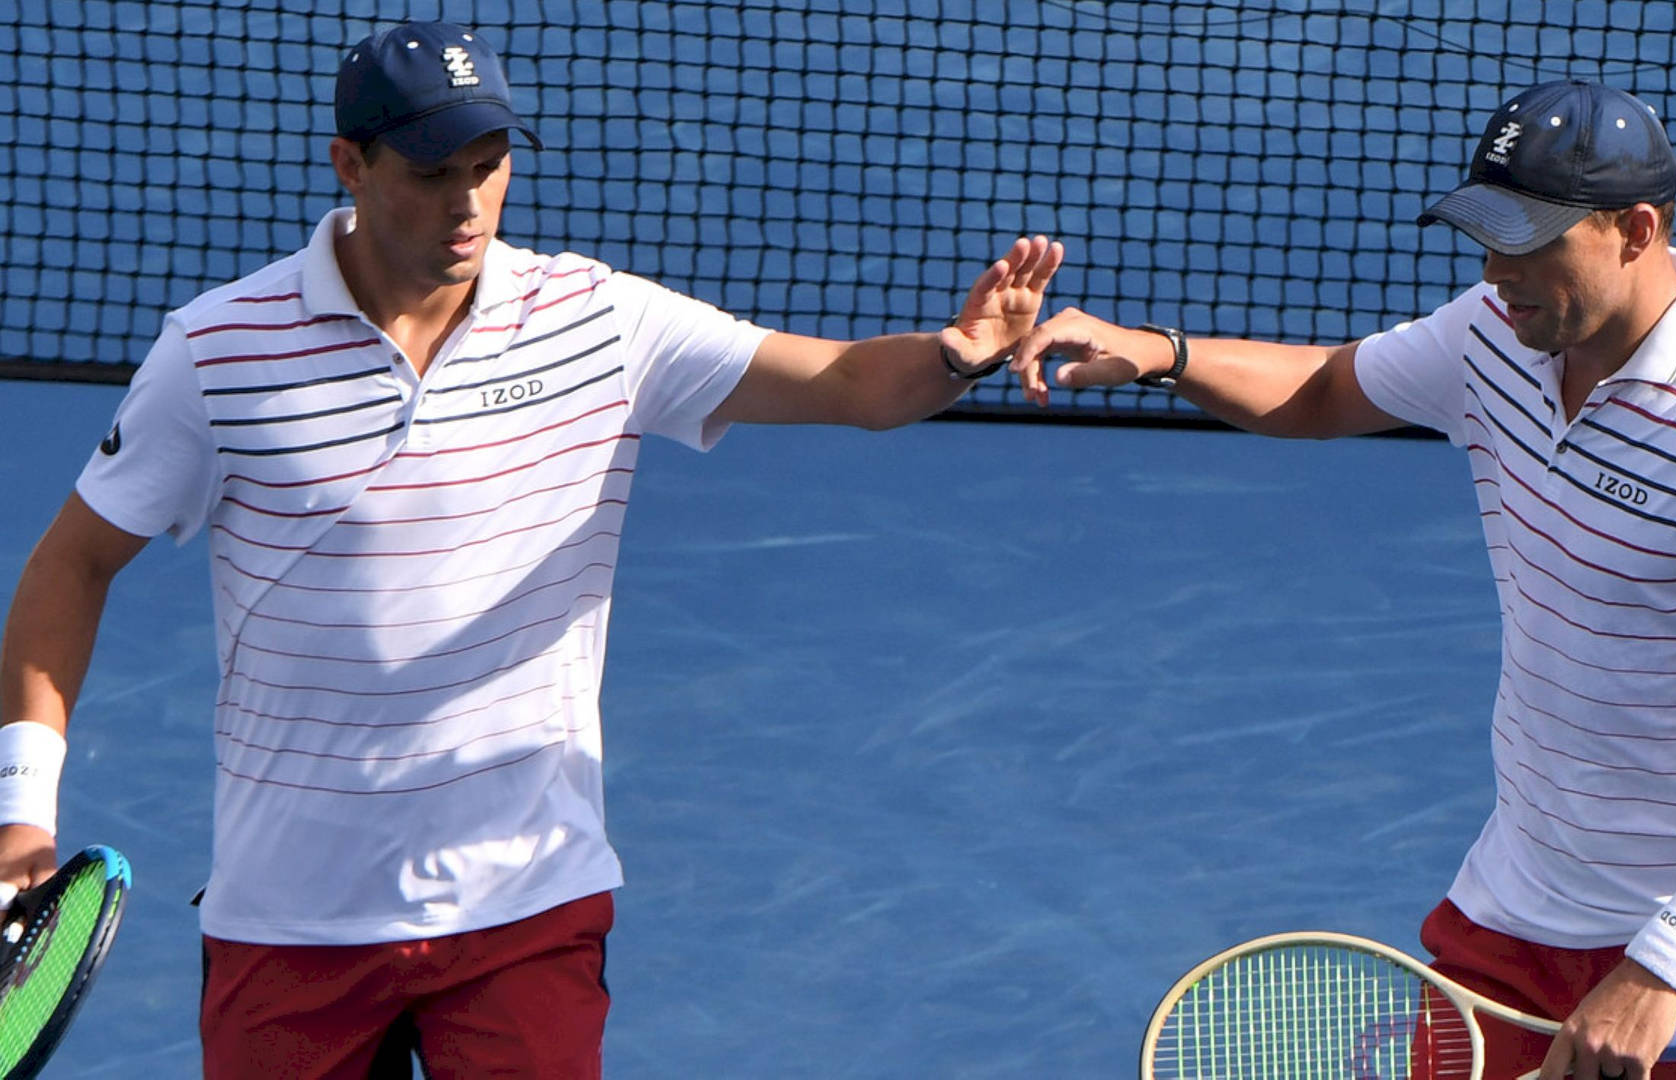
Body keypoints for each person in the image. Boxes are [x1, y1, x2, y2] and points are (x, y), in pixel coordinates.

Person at [0, 20, 1062, 1078]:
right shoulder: (218, 353)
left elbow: (847, 386)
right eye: (431, 171)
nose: (468, 201)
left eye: (489, 165)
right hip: (292, 918)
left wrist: (954, 355)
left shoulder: (598, 322)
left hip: (525, 904)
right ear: (349, 165)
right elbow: (72, 562)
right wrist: (19, 812)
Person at [1009, 80, 1676, 1079]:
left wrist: (1658, 966)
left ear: (1635, 230)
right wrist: (1165, 354)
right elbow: (1331, 388)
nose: (1497, 269)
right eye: (1486, 236)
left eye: (1529, 239)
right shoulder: (1495, 335)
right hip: (1519, 919)